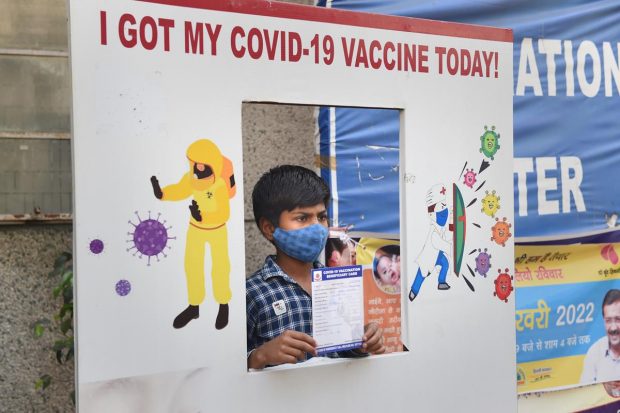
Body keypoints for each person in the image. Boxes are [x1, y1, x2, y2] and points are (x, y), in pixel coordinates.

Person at [246, 165, 385, 370]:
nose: (318, 227)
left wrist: (362, 342)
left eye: (321, 217)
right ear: (269, 228)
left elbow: (343, 351)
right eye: (302, 218)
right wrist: (259, 356)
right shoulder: (252, 293)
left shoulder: (337, 283)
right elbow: (225, 369)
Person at [580, 289, 620, 383]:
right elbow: (585, 393)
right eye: (608, 320)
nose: (613, 328)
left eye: (618, 319)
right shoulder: (594, 353)